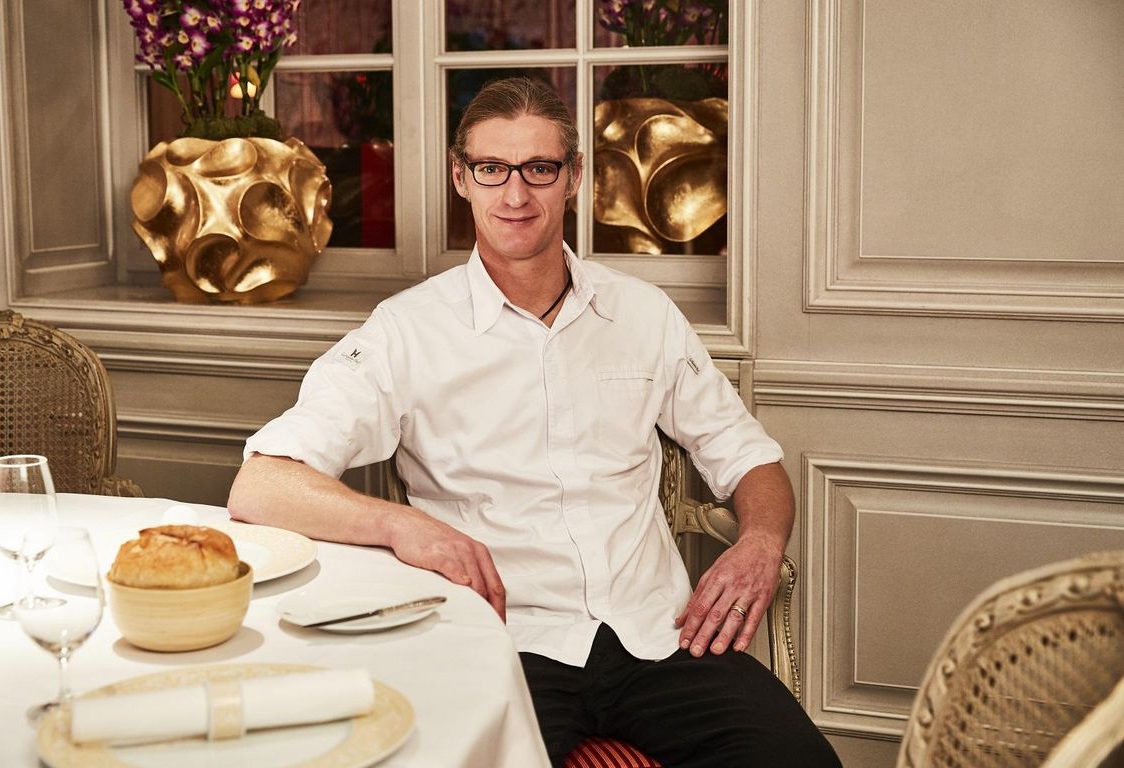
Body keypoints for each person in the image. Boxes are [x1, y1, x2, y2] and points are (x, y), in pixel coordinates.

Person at [229, 76, 841, 767]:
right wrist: (402, 525)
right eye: (492, 169)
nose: (515, 195)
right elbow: (261, 485)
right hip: (505, 644)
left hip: (658, 636)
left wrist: (761, 540)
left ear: (573, 177)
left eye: (539, 169)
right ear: (461, 178)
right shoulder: (406, 331)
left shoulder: (644, 315)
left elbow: (750, 457)